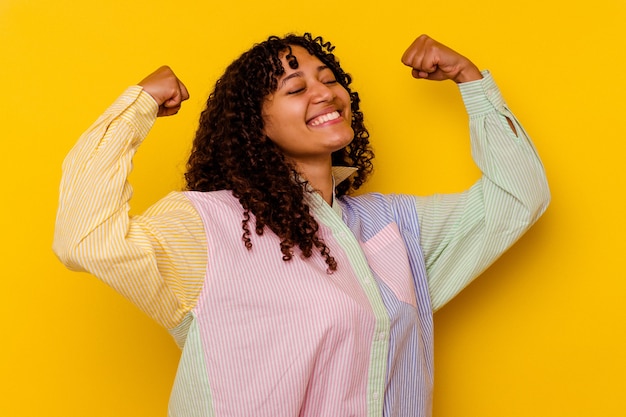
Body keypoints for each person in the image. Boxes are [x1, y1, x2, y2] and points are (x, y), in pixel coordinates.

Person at [53, 33, 550, 417]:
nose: (324, 93)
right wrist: (136, 107)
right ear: (256, 124)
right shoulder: (210, 224)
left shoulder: (390, 226)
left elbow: (518, 198)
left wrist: (471, 82)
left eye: (329, 79)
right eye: (296, 87)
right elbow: (85, 239)